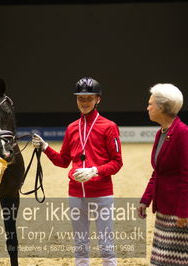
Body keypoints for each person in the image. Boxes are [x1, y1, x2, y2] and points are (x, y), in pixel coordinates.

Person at [32, 77, 123, 266]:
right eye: (80, 98)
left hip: (102, 194)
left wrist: (95, 171)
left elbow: (117, 163)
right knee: (80, 245)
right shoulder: (71, 128)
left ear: (98, 99)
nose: (84, 102)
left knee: (106, 245)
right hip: (75, 194)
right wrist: (46, 147)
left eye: (89, 98)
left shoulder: (109, 126)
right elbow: (64, 161)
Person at [138, 83, 188, 265]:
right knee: (160, 260)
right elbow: (158, 172)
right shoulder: (161, 133)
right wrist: (146, 199)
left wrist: (183, 212)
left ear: (162, 107)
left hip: (182, 211)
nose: (147, 107)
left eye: (150, 104)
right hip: (166, 207)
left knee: (176, 261)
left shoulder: (184, 134)